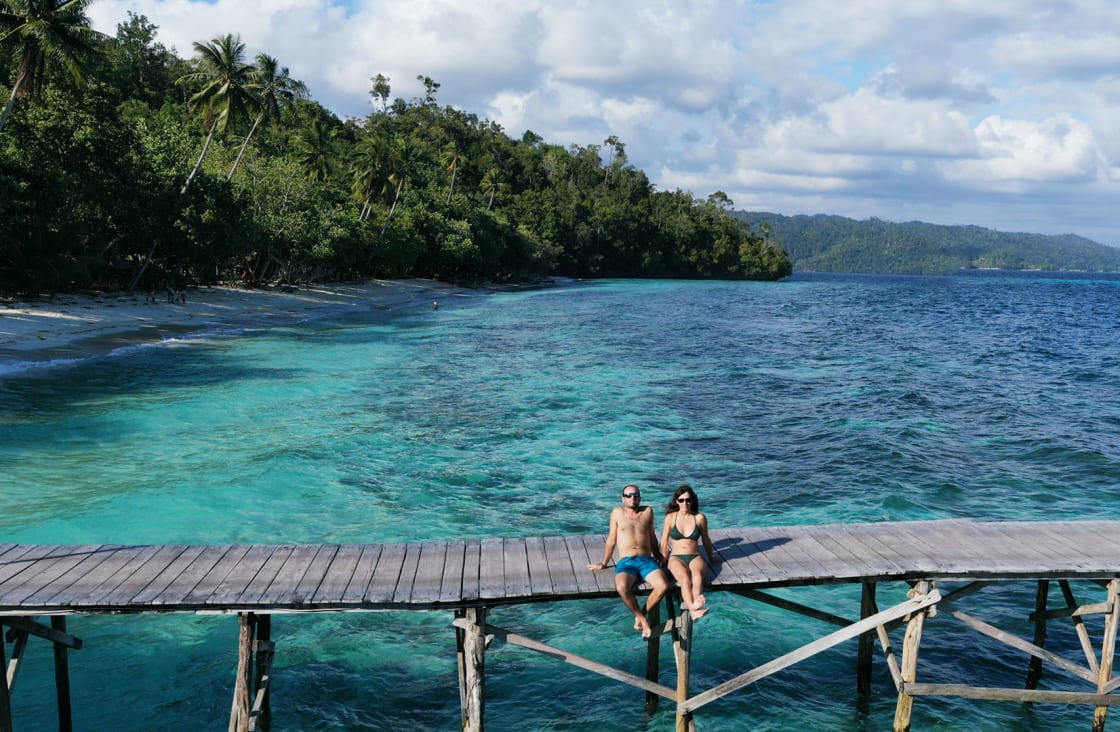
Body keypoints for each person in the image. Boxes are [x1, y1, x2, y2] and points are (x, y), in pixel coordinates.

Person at [588, 485, 670, 638]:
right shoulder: (617, 513)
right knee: (622, 587)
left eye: (636, 495)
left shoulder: (647, 512)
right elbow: (611, 540)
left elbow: (652, 536)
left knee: (663, 585)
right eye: (629, 495)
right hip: (627, 561)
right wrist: (603, 563)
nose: (633, 498)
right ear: (623, 498)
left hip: (646, 560)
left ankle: (641, 615)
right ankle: (643, 620)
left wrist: (658, 555)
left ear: (640, 497)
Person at [659, 484, 719, 619]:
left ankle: (694, 610)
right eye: (681, 500)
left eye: (688, 500)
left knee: (697, 576)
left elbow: (706, 539)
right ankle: (693, 609)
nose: (685, 503)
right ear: (676, 501)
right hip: (676, 557)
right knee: (685, 579)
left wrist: (711, 556)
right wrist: (663, 560)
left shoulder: (699, 518)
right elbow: (664, 541)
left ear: (693, 501)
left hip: (695, 556)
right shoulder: (670, 517)